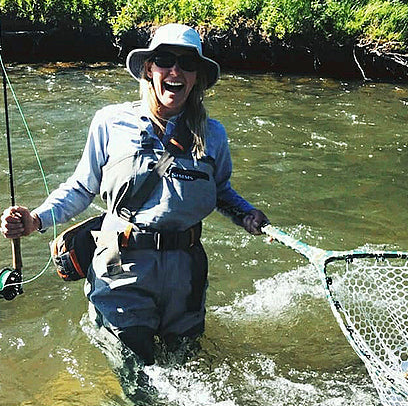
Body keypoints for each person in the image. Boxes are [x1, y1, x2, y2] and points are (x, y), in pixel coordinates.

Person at [1, 23, 268, 366]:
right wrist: (35, 219)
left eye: (187, 63)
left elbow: (220, 191)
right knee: (135, 373)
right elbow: (82, 186)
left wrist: (246, 214)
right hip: (121, 267)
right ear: (148, 69)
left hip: (186, 271)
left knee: (185, 368)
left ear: (197, 76)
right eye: (165, 60)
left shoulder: (213, 134)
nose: (176, 70)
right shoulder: (110, 122)